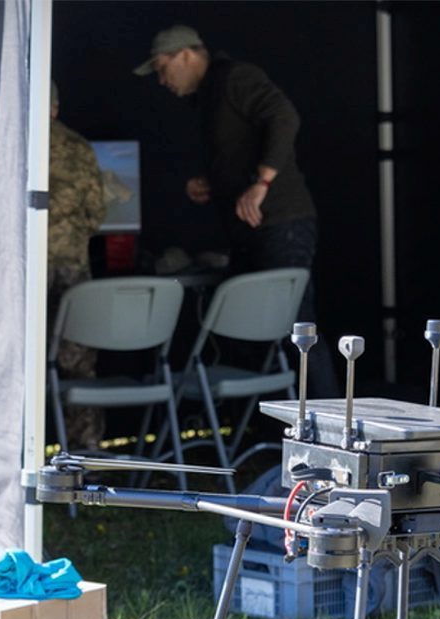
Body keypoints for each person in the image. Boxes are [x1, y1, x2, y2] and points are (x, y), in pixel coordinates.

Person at [133, 25, 337, 397]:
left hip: (282, 225)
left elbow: (284, 115)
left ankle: (331, 433)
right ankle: (264, 434)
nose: (162, 80)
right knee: (247, 333)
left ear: (186, 55)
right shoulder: (208, 97)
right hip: (251, 234)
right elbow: (240, 150)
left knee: (299, 331)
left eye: (163, 68)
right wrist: (216, 183)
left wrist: (262, 183)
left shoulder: (233, 77)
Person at [48, 80, 107, 450]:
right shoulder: (78, 147)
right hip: (73, 268)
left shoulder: (10, 143)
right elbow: (96, 213)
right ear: (55, 106)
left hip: (21, 269)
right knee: (80, 364)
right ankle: (84, 453)